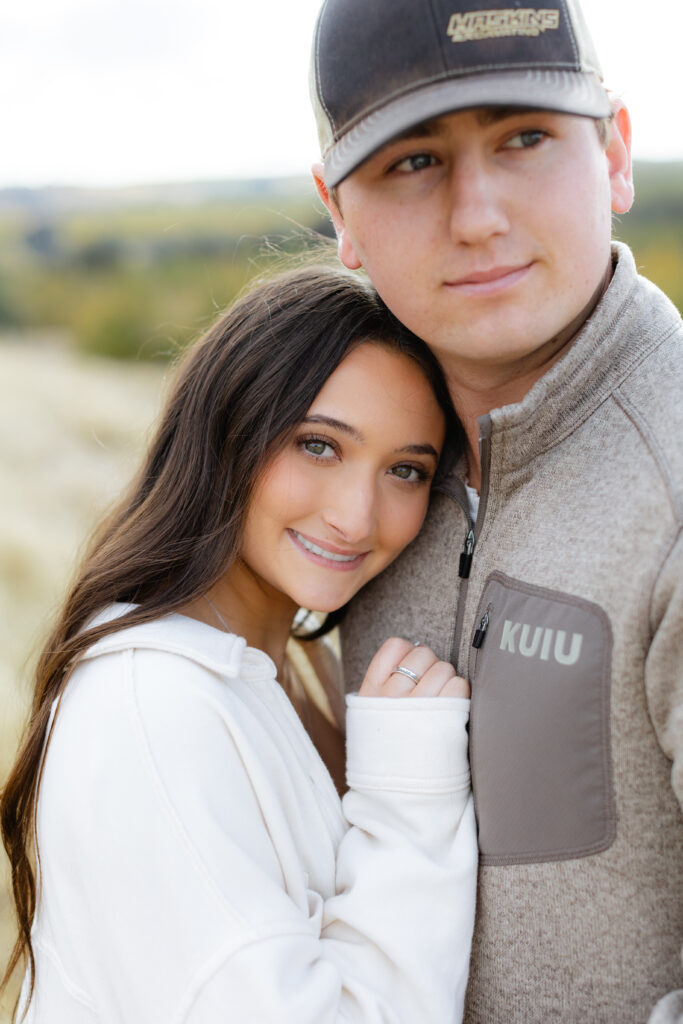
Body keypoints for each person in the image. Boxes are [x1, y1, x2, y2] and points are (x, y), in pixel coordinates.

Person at [309, 1, 683, 1022]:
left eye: (524, 138)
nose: (475, 214)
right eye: (412, 162)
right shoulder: (328, 493)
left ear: (613, 150)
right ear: (336, 209)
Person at [0, 264, 478, 1022]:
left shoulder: (288, 669)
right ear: (226, 429)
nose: (357, 517)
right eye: (318, 446)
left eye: (405, 470)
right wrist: (411, 803)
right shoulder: (151, 709)